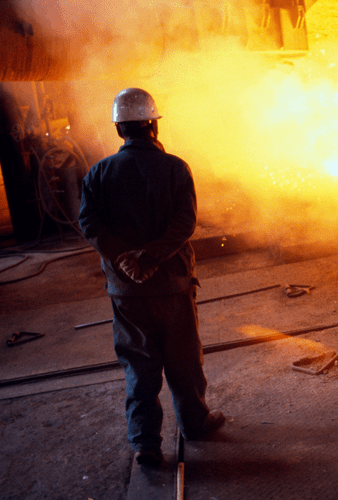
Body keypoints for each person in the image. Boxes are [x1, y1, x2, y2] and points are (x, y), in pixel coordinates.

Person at [79, 87, 224, 467]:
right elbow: (185, 223)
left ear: (119, 129)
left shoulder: (98, 173)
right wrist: (151, 256)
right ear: (153, 127)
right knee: (184, 361)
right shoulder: (176, 168)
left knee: (138, 367)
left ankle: (145, 442)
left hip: (127, 293)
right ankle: (195, 422)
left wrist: (125, 259)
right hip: (172, 288)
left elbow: (88, 223)